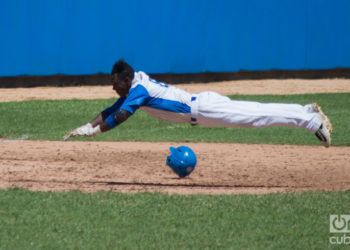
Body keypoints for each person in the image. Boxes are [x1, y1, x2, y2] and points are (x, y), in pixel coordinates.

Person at [64, 59, 333, 147]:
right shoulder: (135, 87)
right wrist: (86, 126)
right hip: (202, 109)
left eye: (115, 82)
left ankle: (310, 119)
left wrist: (95, 132)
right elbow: (110, 111)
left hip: (204, 109)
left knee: (256, 116)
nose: (113, 87)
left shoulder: (139, 88)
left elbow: (120, 116)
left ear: (127, 78)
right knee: (255, 115)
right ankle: (306, 113)